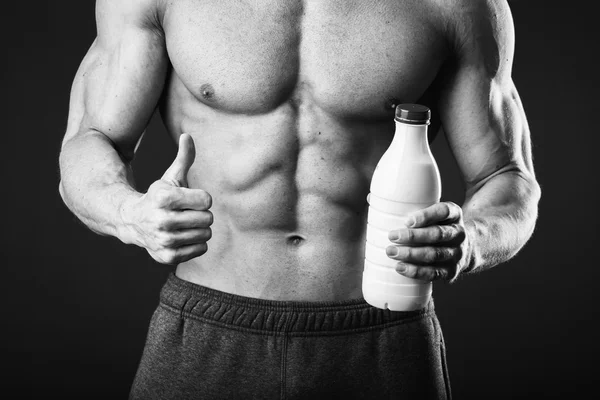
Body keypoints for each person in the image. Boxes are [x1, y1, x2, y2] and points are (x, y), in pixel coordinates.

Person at [58, 0, 541, 398]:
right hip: (208, 328)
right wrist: (129, 213)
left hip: (383, 335)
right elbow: (91, 139)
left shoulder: (455, 5)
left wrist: (471, 240)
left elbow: (506, 176)